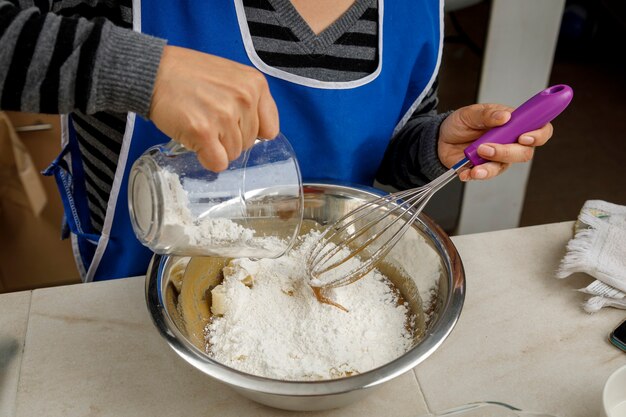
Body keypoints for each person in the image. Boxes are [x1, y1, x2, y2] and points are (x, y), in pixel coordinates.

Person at [0, 0, 553, 282]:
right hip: (133, 291)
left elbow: (386, 149)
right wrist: (145, 72)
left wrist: (434, 148)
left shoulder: (413, 11)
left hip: (322, 285)